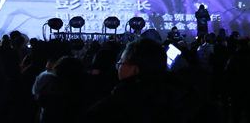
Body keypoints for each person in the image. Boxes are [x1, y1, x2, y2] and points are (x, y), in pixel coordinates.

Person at [85, 38, 214, 123]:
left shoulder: (111, 109)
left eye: (121, 63)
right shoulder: (194, 102)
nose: (118, 68)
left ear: (134, 70)